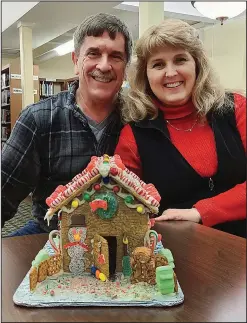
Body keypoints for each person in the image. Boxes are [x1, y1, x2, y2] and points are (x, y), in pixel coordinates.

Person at [2, 13, 133, 235]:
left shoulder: (138, 119)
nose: (104, 65)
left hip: (120, 245)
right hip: (52, 237)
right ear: (75, 61)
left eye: (116, 56)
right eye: (93, 54)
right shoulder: (39, 119)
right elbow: (3, 193)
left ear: (126, 67)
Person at [115, 19, 246, 237]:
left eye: (180, 59)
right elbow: (125, 208)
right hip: (178, 258)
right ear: (145, 75)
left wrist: (201, 212)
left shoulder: (237, 109)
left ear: (197, 65)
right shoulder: (133, 136)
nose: (170, 72)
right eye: (158, 64)